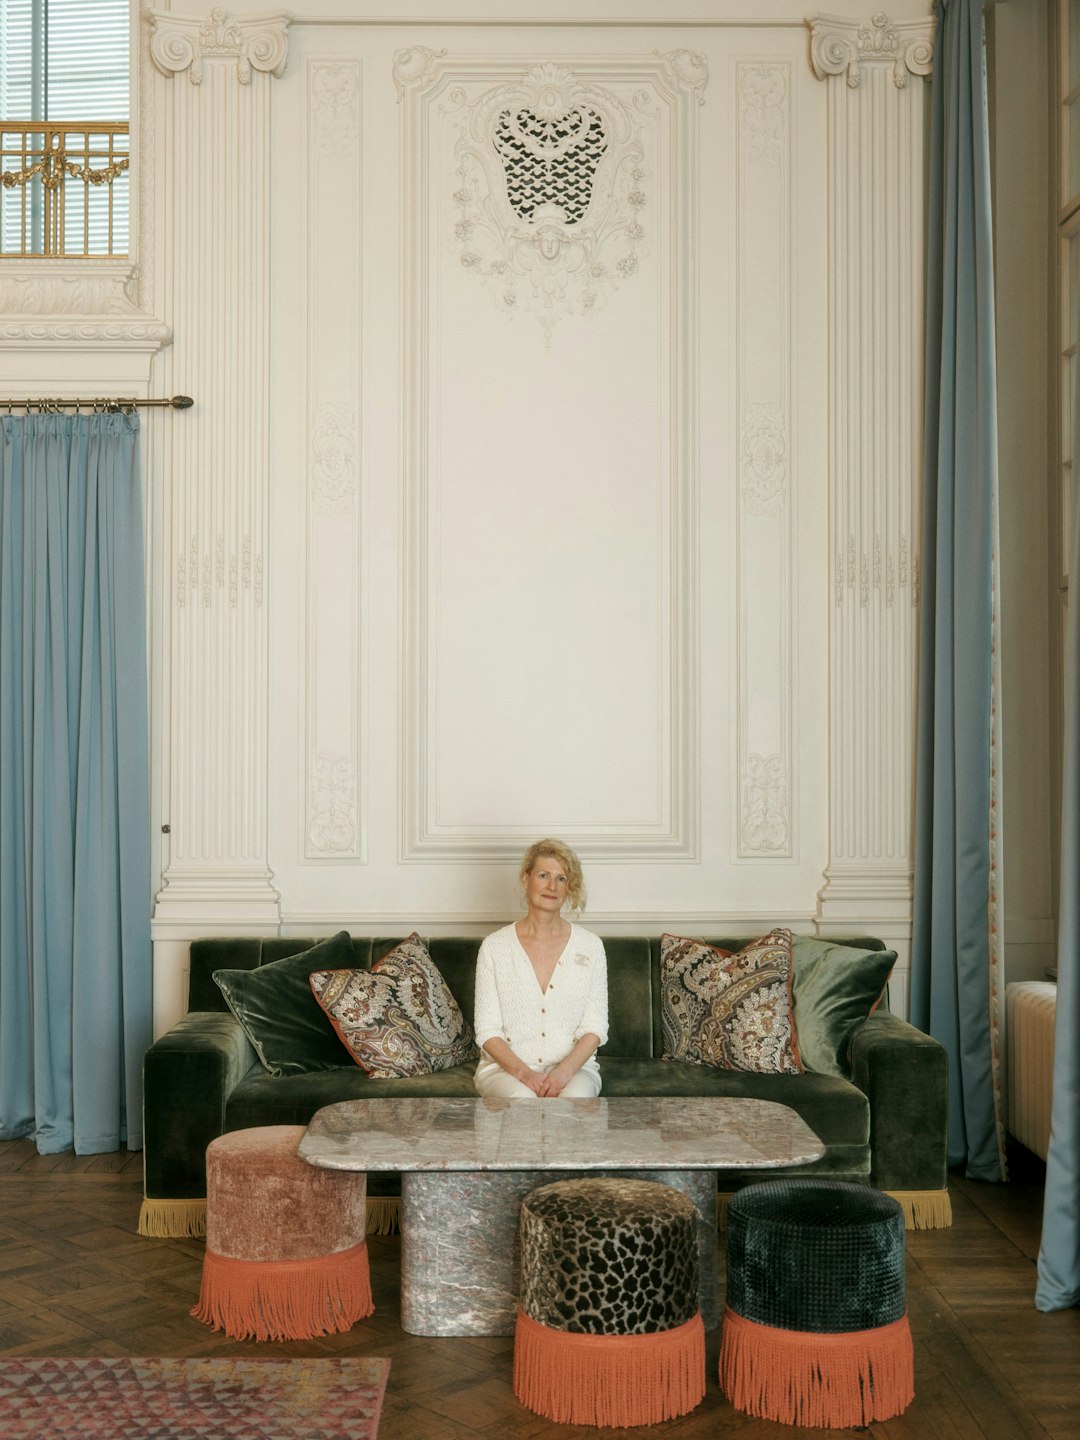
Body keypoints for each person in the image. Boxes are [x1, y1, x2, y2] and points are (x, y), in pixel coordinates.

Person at [473, 838, 608, 1099]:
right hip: (503, 1071)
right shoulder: (494, 947)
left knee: (575, 1102)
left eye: (561, 878)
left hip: (574, 1071)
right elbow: (487, 1032)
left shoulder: (590, 946)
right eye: (543, 875)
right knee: (523, 1102)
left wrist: (563, 1074)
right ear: (526, 879)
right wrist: (525, 1075)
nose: (552, 886)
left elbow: (595, 1028)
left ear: (570, 887)